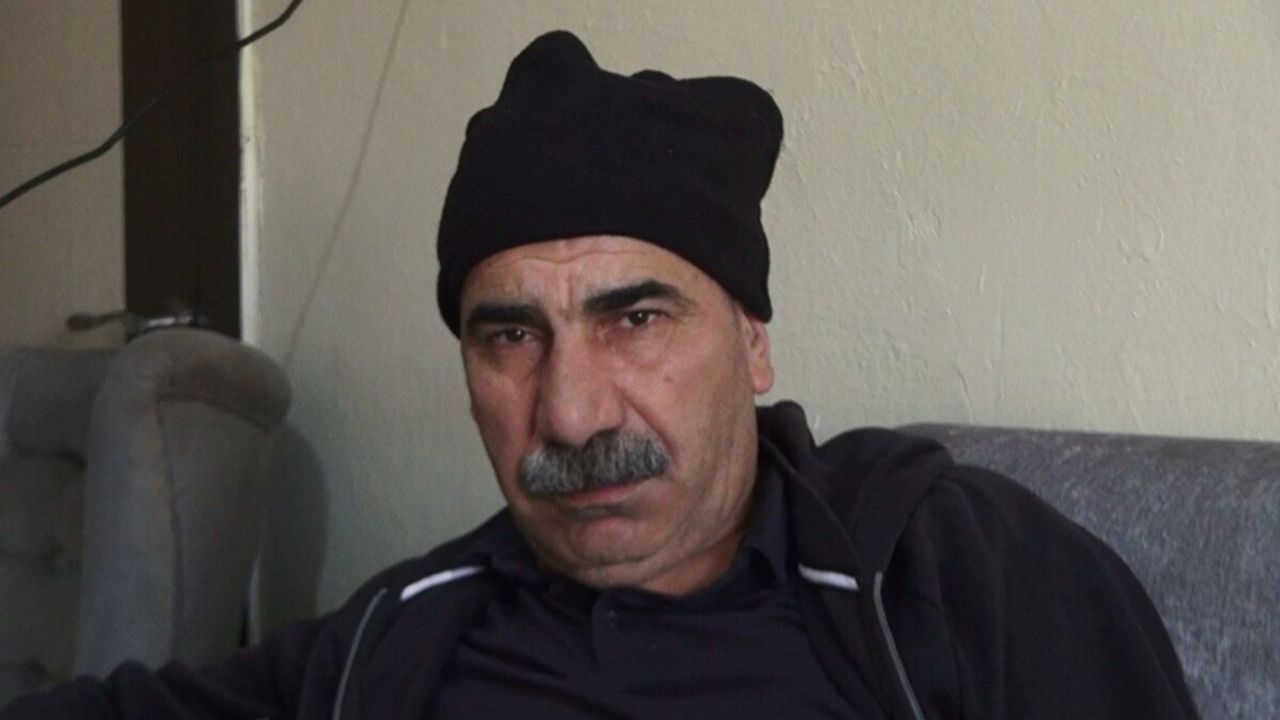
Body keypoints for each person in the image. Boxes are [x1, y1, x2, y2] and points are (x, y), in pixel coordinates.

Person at [3, 30, 1199, 720]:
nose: (570, 416)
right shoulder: (408, 632)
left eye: (634, 318)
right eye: (508, 336)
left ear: (752, 342)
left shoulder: (952, 567)